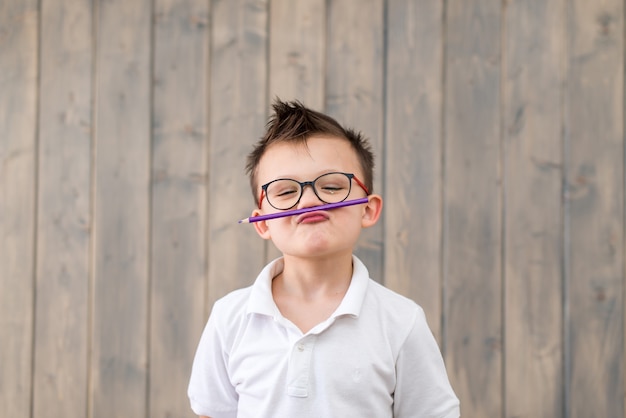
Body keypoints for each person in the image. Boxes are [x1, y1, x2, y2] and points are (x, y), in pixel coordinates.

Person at [188, 99, 460, 418]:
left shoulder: (401, 321)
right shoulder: (230, 317)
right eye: (286, 192)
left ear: (368, 209)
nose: (310, 199)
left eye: (332, 186)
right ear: (261, 222)